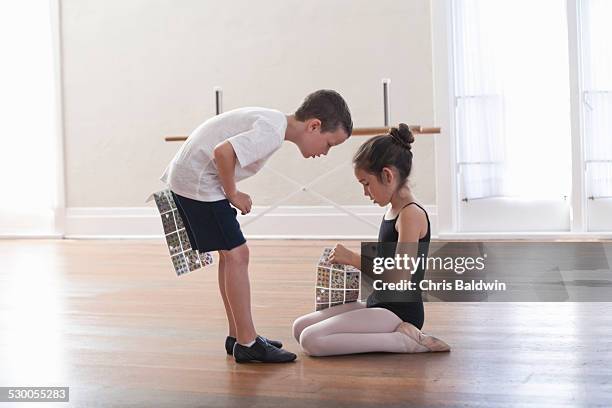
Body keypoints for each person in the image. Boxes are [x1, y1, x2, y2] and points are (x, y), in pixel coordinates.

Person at [160, 90, 352, 363]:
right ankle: (248, 343)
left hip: (192, 178)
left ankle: (238, 336)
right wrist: (233, 193)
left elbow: (223, 149)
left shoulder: (273, 122)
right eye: (329, 144)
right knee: (239, 254)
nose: (325, 152)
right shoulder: (272, 131)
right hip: (198, 182)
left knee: (231, 254)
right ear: (314, 126)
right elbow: (222, 152)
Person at [292, 124, 450, 356]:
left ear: (387, 175)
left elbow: (400, 276)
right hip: (378, 303)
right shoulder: (393, 211)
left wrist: (355, 259)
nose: (366, 192)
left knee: (311, 340)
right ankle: (392, 335)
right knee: (300, 328)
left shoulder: (411, 215)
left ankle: (406, 341)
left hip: (399, 312)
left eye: (367, 183)